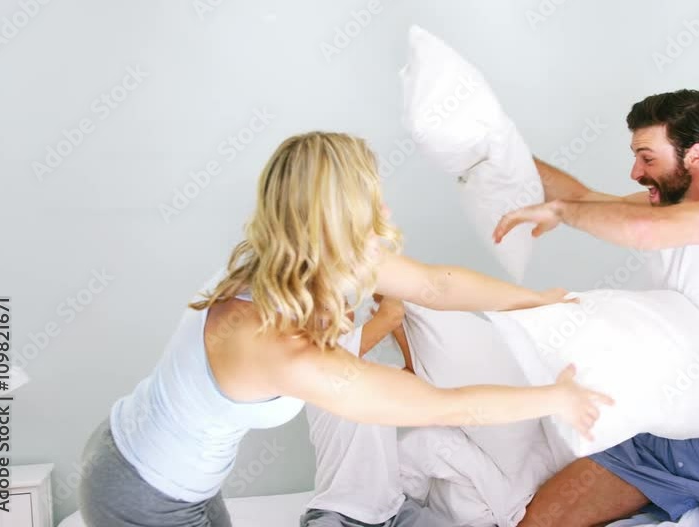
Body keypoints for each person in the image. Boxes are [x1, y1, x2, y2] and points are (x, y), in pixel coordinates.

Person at [76, 131, 613, 527]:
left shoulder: (286, 255)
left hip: (146, 454)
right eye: (372, 198)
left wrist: (534, 301)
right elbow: (442, 406)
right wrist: (555, 398)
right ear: (340, 216)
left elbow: (434, 285)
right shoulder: (280, 348)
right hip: (143, 495)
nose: (385, 207)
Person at [494, 90, 699, 527]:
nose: (635, 172)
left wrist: (562, 212)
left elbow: (643, 232)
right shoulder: (658, 207)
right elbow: (582, 196)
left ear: (695, 155)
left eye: (647, 158)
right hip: (654, 438)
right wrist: (499, 147)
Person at [301, 294, 445, 527]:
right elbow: (392, 313)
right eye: (325, 307)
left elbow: (413, 378)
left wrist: (398, 328)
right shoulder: (321, 360)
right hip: (336, 512)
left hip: (394, 510)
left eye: (344, 304)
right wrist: (386, 287)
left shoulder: (374, 373)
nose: (338, 312)